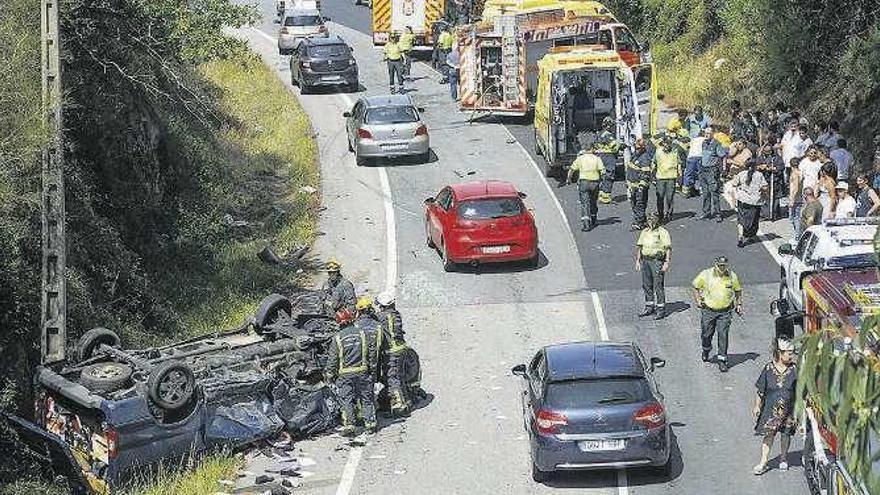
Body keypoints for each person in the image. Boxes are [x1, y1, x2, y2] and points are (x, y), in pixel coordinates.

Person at [325, 309, 378, 436]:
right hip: (363, 371)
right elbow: (371, 352)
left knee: (346, 399)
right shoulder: (362, 333)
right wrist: (372, 369)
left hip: (345, 374)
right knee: (366, 398)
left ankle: (350, 425)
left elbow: (333, 359)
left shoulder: (337, 338)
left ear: (339, 322)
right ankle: (370, 424)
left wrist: (329, 374)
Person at [752, 338, 798, 475]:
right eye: (788, 353)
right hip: (770, 410)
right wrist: (756, 406)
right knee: (769, 435)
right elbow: (760, 390)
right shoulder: (768, 368)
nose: (791, 356)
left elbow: (801, 391)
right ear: (779, 353)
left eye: (792, 353)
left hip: (789, 410)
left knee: (786, 434)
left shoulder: (795, 369)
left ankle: (783, 458)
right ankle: (763, 462)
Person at [692, 256, 743, 373]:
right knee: (706, 333)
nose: (722, 268)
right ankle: (706, 349)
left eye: (724, 266)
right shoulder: (706, 274)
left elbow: (738, 290)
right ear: (716, 265)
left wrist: (739, 304)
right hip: (708, 311)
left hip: (725, 312)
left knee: (723, 335)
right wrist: (698, 300)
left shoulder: (731, 276)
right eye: (720, 266)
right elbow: (695, 286)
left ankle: (722, 360)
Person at [375, 291, 411, 416]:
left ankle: (399, 407)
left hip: (392, 352)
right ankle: (406, 401)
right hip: (401, 350)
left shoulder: (381, 317)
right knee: (399, 377)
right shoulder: (396, 314)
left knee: (392, 379)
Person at [635, 212, 671, 320]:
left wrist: (666, 262)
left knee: (658, 285)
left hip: (657, 261)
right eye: (649, 219)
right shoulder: (645, 232)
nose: (651, 221)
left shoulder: (662, 232)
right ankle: (649, 306)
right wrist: (637, 261)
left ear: (657, 220)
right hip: (646, 260)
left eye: (653, 219)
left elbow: (668, 248)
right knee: (646, 284)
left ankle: (661, 309)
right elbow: (640, 247)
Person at [567, 141, 605, 231]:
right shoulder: (597, 159)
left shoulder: (580, 159)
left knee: (585, 203)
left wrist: (568, 179)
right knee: (593, 201)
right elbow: (603, 171)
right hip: (595, 183)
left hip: (584, 183)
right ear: (592, 149)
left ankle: (586, 225)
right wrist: (603, 182)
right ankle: (594, 219)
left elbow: (571, 169)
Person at [730, 160, 767, 247]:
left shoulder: (741, 174)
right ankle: (751, 236)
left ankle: (740, 236)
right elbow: (765, 187)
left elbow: (734, 184)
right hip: (755, 201)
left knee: (741, 219)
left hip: (743, 199)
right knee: (754, 219)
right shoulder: (759, 175)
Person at [699, 125, 728, 222]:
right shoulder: (704, 143)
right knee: (705, 193)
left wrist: (723, 169)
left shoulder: (716, 144)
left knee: (714, 193)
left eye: (708, 133)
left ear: (712, 134)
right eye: (705, 133)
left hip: (712, 171)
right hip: (703, 170)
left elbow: (723, 156)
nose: (706, 135)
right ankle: (706, 212)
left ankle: (718, 213)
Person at [626, 138, 654, 230]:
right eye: (636, 148)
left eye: (638, 148)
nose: (637, 150)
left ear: (643, 148)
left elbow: (645, 175)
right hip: (632, 186)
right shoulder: (635, 156)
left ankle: (639, 222)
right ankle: (641, 220)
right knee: (634, 204)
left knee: (640, 204)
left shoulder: (645, 158)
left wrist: (641, 187)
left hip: (639, 187)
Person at [653, 136, 681, 223]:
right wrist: (651, 174)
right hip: (661, 177)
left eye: (669, 143)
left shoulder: (675, 152)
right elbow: (653, 163)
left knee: (670, 197)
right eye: (666, 143)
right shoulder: (658, 151)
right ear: (663, 143)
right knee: (660, 197)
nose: (667, 144)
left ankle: (669, 213)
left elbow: (679, 163)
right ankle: (660, 214)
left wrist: (680, 174)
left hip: (671, 177)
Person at [595, 117, 621, 204]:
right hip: (608, 157)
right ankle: (606, 198)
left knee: (603, 176)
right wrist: (622, 146)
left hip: (600, 156)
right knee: (609, 176)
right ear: (609, 126)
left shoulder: (599, 133)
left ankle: (601, 194)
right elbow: (614, 146)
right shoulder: (608, 135)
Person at [787, 158, 803, 242]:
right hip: (799, 197)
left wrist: (792, 199)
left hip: (795, 198)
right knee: (796, 217)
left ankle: (797, 236)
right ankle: (797, 234)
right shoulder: (800, 172)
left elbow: (796, 187)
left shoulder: (794, 174)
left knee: (794, 218)